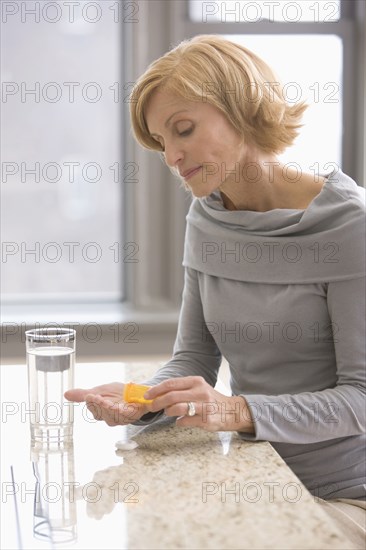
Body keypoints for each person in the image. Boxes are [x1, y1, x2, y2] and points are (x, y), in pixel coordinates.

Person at [65, 35, 366, 546]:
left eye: (183, 130)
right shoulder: (208, 219)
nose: (171, 156)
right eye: (162, 142)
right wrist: (148, 401)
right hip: (256, 474)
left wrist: (236, 410)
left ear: (242, 107)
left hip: (346, 492)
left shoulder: (350, 228)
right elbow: (193, 359)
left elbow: (361, 396)